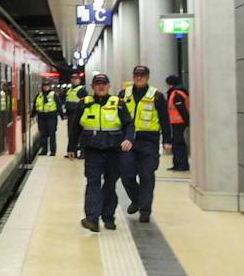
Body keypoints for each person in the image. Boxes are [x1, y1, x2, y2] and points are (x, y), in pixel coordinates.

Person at [79, 73, 134, 232]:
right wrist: (71, 147)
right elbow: (75, 126)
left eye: (104, 84)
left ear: (109, 86)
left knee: (110, 185)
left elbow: (129, 124)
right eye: (97, 84)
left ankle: (108, 217)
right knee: (93, 183)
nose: (101, 87)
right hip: (92, 151)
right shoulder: (85, 103)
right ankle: (92, 219)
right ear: (92, 87)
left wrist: (129, 139)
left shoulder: (118, 104)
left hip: (114, 152)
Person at [119, 65, 171, 223]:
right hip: (128, 141)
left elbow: (165, 120)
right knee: (126, 174)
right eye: (136, 75)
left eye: (142, 75)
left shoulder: (157, 96)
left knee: (146, 175)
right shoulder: (123, 95)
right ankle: (136, 199)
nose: (139, 78)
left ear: (147, 77)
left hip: (149, 141)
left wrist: (167, 141)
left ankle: (145, 210)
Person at [165, 74, 191, 172]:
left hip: (178, 122)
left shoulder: (176, 93)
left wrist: (187, 121)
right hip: (177, 122)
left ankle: (182, 164)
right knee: (176, 143)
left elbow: (181, 109)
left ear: (168, 83)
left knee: (178, 143)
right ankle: (177, 164)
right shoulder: (179, 92)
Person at [33, 77, 60, 156]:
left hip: (51, 118)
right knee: (43, 135)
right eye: (44, 86)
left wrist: (62, 115)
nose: (45, 87)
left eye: (47, 86)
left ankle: (53, 151)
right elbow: (35, 105)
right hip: (41, 118)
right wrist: (32, 114)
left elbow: (59, 105)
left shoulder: (53, 95)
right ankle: (44, 150)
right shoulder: (39, 95)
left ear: (49, 87)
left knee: (52, 135)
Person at [62, 81, 88, 159]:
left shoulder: (82, 90)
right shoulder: (70, 90)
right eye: (73, 78)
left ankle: (82, 153)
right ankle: (74, 151)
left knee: (80, 134)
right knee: (71, 133)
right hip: (71, 114)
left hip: (79, 113)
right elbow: (67, 101)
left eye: (76, 78)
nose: (74, 80)